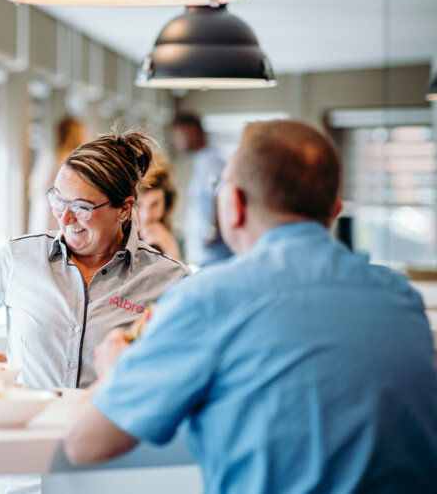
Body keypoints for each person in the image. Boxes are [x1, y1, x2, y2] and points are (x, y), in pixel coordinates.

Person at [64, 120, 437, 492]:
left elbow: (85, 444)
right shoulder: (401, 299)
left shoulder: (208, 300)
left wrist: (116, 371)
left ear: (234, 205)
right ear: (335, 208)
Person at [0, 130, 188, 390]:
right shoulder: (20, 257)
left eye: (82, 207)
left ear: (124, 208)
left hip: (109, 417)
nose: (64, 217)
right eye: (58, 200)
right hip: (28, 416)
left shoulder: (169, 281)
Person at [170, 112, 232, 267]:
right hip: (203, 251)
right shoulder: (201, 159)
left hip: (212, 250)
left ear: (192, 132)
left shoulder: (211, 161)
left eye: (178, 135)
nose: (176, 141)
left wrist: (213, 232)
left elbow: (222, 194)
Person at [27, 115, 89, 233]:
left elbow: (34, 189)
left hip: (42, 214)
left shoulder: (48, 157)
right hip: (58, 215)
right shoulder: (73, 161)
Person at [133, 164, 181, 261]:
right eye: (138, 205)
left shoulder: (177, 237)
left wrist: (171, 251)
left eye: (154, 204)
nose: (146, 216)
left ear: (166, 203)